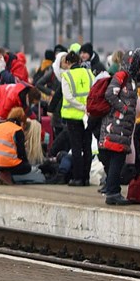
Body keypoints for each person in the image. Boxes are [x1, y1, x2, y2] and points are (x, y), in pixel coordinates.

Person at [99, 49, 140, 205]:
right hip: (116, 126)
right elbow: (109, 94)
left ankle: (113, 190)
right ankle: (113, 192)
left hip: (122, 128)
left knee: (118, 160)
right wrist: (125, 108)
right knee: (117, 159)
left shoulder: (132, 80)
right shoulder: (122, 76)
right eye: (139, 64)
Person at [58, 50, 95, 186]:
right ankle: (86, 178)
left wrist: (80, 107)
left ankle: (78, 178)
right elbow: (93, 92)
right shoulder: (89, 73)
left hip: (73, 118)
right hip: (88, 116)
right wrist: (87, 107)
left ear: (67, 62)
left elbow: (68, 97)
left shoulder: (66, 76)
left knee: (76, 148)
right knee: (87, 147)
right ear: (80, 61)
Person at [0, 107, 33, 184]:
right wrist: (26, 162)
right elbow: (21, 153)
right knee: (26, 167)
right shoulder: (17, 129)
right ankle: (5, 175)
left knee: (6, 160)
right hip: (4, 162)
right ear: (21, 120)